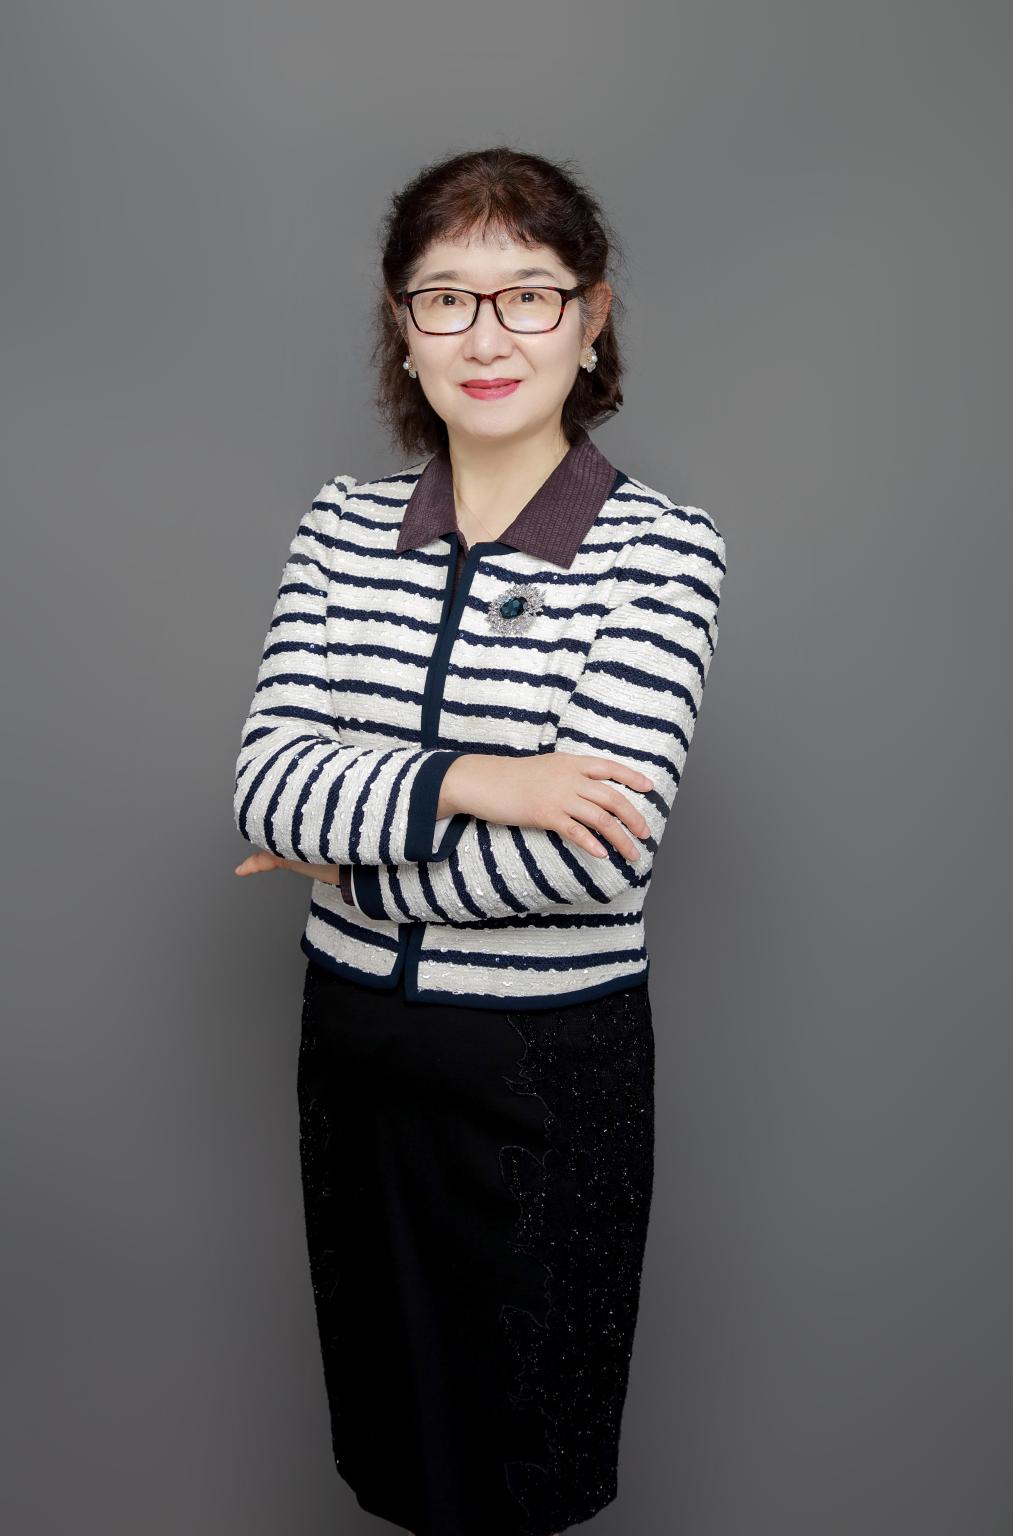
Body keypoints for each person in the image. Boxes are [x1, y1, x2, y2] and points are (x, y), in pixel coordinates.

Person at [232, 145, 727, 1536]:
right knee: (396, 1451)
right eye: (446, 297)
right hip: (356, 1056)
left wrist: (352, 852)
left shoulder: (662, 551)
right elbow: (267, 788)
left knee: (517, 1466)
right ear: (404, 328)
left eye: (529, 294)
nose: (487, 336)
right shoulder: (340, 531)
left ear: (591, 317)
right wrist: (479, 779)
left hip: (544, 1076)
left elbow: (593, 857)